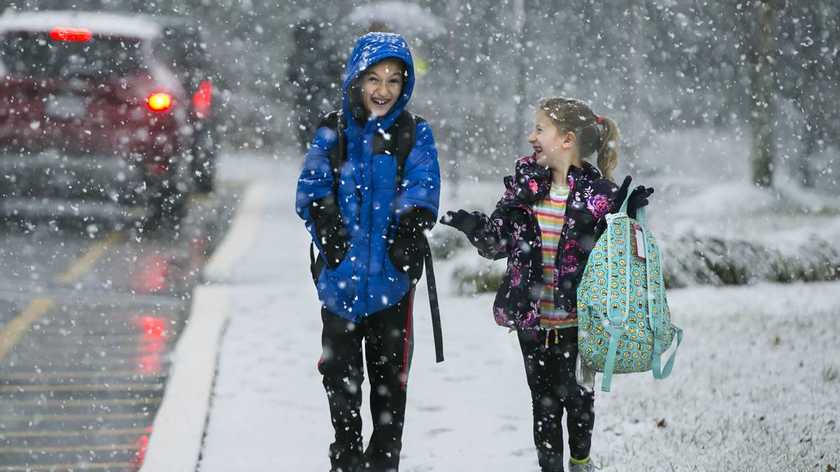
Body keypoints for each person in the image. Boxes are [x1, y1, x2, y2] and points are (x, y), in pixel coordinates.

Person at [440, 97, 653, 472]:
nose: (531, 136)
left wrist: (629, 215)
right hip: (533, 321)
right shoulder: (524, 190)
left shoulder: (599, 197)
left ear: (567, 139)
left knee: (579, 402)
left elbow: (619, 258)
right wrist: (476, 229)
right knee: (544, 405)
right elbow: (499, 243)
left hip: (581, 324)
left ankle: (580, 460)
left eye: (540, 129)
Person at [295, 32, 441, 472]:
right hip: (339, 282)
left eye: (394, 80)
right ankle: (346, 452)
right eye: (374, 79)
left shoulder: (413, 133)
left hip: (391, 284)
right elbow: (312, 188)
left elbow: (423, 186)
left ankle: (383, 460)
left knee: (389, 384)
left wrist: (406, 237)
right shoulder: (333, 130)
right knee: (340, 378)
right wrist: (330, 235)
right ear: (356, 80)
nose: (383, 89)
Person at [287, 19, 343, 152]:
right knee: (316, 133)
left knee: (312, 134)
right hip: (316, 100)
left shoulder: (299, 56)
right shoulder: (324, 52)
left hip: (315, 100)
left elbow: (291, 78)